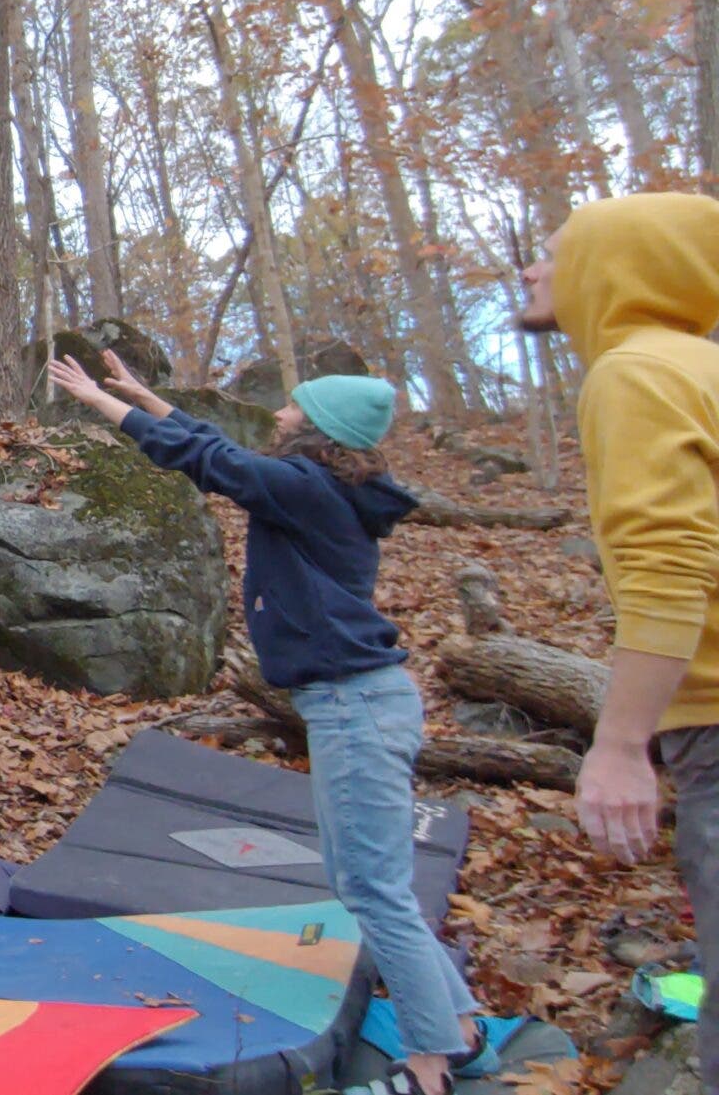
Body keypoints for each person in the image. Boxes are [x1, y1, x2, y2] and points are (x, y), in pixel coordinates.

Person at [48, 351, 492, 1095]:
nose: (280, 414)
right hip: (358, 704)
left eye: (293, 407)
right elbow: (224, 452)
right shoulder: (323, 488)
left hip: (357, 707)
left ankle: (428, 1065)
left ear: (317, 429)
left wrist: (99, 401)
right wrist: (149, 396)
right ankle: (463, 1027)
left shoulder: (306, 490)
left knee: (374, 893)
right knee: (369, 886)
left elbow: (209, 462)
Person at [516, 192, 719, 1091]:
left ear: (613, 268)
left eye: (555, 252)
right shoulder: (699, 366)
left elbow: (670, 563)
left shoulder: (635, 373)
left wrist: (620, 743)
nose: (531, 267)